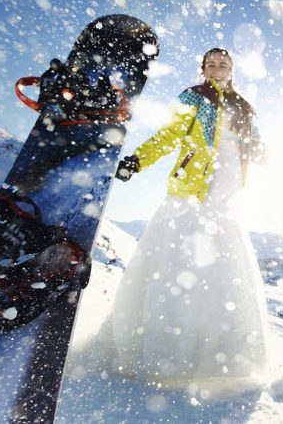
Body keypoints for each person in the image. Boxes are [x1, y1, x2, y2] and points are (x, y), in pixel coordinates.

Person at [109, 48, 268, 391]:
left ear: (232, 70)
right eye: (211, 63)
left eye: (223, 64)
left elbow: (254, 143)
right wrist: (138, 160)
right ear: (203, 68)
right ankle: (165, 352)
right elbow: (169, 135)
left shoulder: (242, 105)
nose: (217, 68)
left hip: (225, 192)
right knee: (178, 264)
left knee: (218, 270)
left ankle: (216, 355)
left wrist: (260, 150)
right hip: (191, 190)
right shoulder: (193, 97)